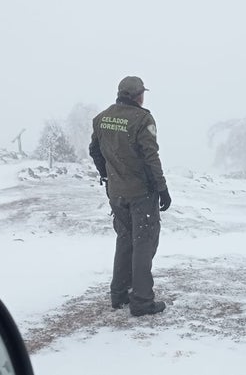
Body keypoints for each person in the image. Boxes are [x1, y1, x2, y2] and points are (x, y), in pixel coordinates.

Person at [89, 75, 172, 317]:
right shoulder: (142, 119)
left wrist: (107, 175)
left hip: (116, 193)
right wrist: (162, 188)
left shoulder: (102, 118)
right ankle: (142, 302)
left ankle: (119, 295)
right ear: (138, 96)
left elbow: (94, 150)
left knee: (125, 240)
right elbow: (150, 156)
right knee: (144, 244)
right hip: (141, 194)